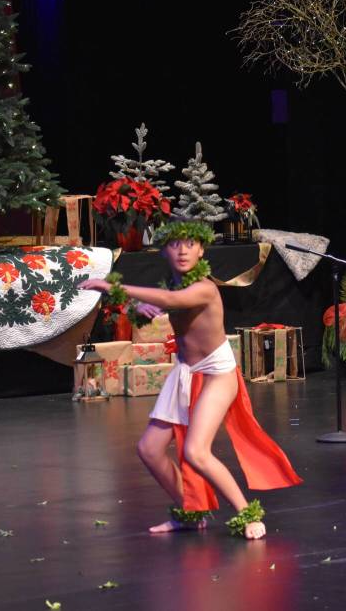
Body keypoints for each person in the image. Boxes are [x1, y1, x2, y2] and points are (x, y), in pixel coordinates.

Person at [80, 220, 301, 539]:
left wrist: (113, 287)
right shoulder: (173, 283)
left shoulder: (204, 288)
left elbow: (171, 303)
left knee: (197, 451)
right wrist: (141, 308)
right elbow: (160, 306)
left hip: (216, 373)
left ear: (201, 249)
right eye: (174, 244)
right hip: (185, 369)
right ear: (165, 251)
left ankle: (248, 514)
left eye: (190, 244)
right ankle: (190, 512)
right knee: (150, 450)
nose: (183, 250)